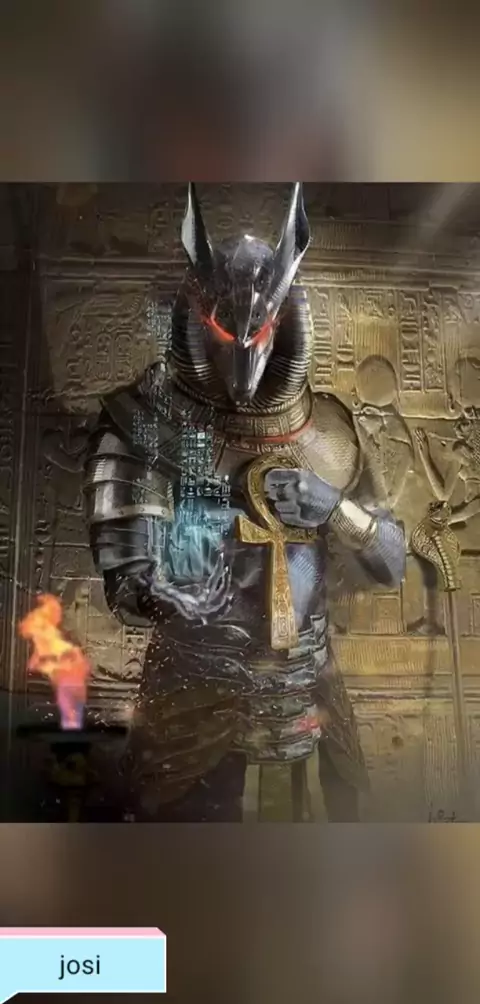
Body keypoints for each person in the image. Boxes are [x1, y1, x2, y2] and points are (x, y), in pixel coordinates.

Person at [83, 183, 406, 821]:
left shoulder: (331, 428)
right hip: (195, 698)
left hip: (312, 693)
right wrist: (173, 593)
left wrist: (334, 508)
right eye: (223, 328)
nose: (244, 355)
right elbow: (128, 584)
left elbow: (391, 564)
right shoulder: (147, 423)